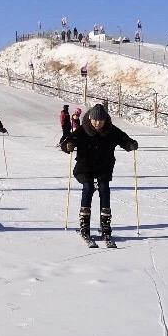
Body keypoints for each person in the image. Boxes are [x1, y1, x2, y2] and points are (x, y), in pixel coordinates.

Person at [61, 103, 137, 247]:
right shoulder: (82, 130)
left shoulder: (111, 130)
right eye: (95, 120)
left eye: (101, 120)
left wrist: (131, 144)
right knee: (88, 188)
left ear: (105, 120)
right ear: (90, 119)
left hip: (104, 166)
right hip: (85, 166)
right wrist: (68, 146)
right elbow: (67, 141)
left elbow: (124, 140)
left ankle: (106, 226)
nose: (98, 123)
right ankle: (85, 225)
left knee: (104, 190)